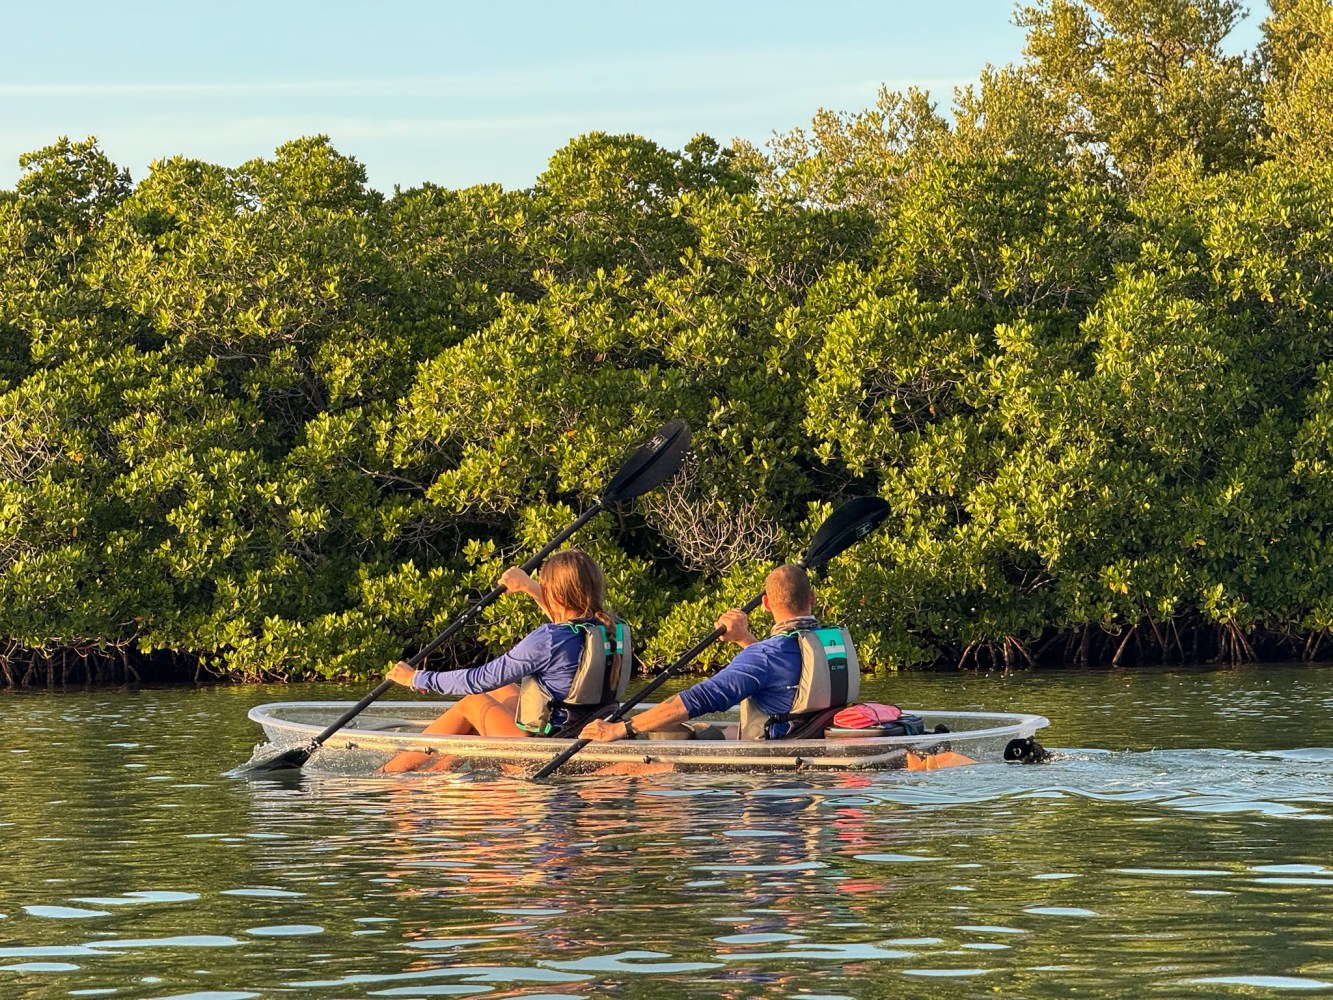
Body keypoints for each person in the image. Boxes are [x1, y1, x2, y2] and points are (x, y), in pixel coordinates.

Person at [382, 548, 630, 772]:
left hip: (547, 752)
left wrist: (416, 678)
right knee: (501, 689)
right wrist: (529, 586)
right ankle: (435, 772)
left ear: (554, 592)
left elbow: (477, 680)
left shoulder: (548, 639)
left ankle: (389, 774)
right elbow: (567, 623)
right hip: (576, 733)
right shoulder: (612, 627)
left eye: (545, 587)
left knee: (474, 702)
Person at [580, 564, 856, 744]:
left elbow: (694, 701)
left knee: (654, 751)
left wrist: (620, 729)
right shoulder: (829, 643)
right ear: (813, 599)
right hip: (811, 738)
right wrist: (744, 639)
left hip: (771, 773)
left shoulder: (765, 657)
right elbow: (782, 671)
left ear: (766, 604)